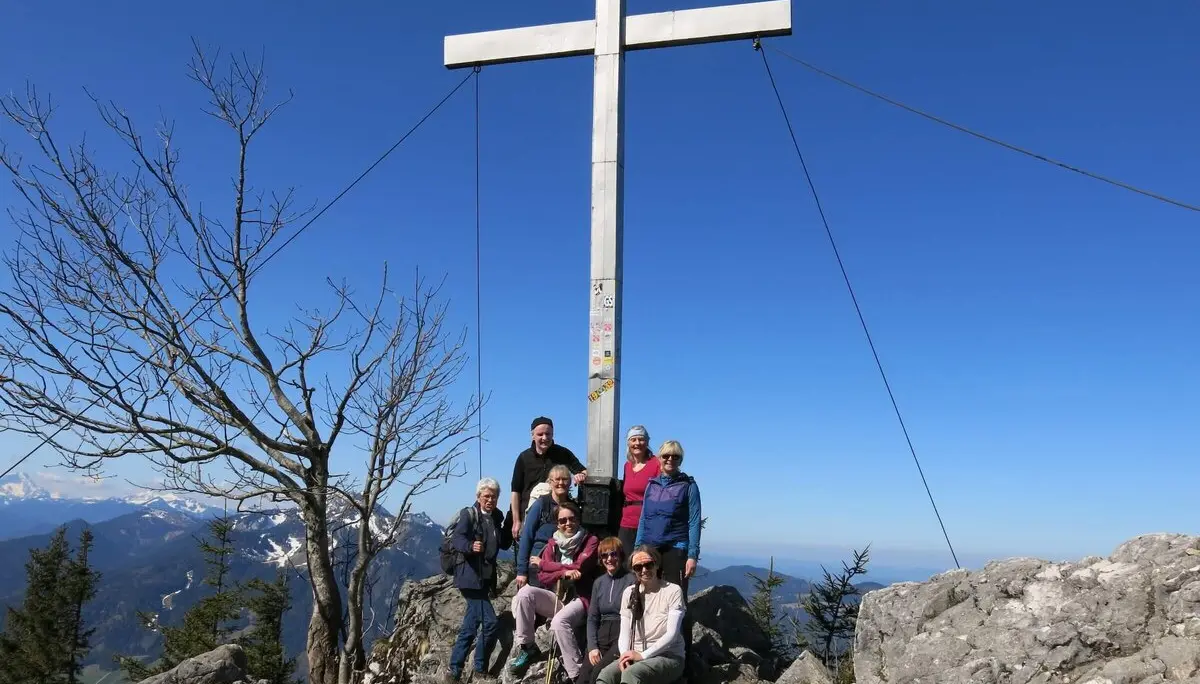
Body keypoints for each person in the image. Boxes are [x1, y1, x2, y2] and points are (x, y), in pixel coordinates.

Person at [509, 501, 599, 677]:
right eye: (562, 520)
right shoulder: (553, 543)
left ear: (578, 519)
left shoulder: (591, 541)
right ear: (557, 523)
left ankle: (577, 675)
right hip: (558, 597)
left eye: (571, 519)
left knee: (559, 622)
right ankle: (528, 647)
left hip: (581, 598)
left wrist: (544, 563)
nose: (567, 524)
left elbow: (580, 566)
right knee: (524, 594)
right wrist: (564, 572)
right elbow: (542, 576)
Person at [447, 477, 513, 683]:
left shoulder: (495, 518)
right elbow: (457, 539)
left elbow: (503, 544)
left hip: (484, 580)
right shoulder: (469, 515)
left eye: (494, 496)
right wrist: (470, 547)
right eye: (486, 496)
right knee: (491, 622)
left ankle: (454, 671)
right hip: (468, 578)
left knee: (469, 626)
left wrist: (512, 518)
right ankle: (479, 668)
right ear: (478, 497)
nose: (490, 500)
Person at [594, 546, 686, 684]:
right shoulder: (629, 593)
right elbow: (624, 633)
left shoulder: (672, 591)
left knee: (632, 673)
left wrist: (643, 656)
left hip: (668, 656)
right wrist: (625, 656)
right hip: (635, 655)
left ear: (656, 564)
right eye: (638, 567)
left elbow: (672, 635)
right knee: (605, 676)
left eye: (648, 565)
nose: (644, 570)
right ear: (633, 570)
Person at [634, 440, 701, 597]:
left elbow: (694, 521)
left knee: (675, 596)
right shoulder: (652, 485)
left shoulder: (688, 486)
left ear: (680, 460)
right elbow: (644, 518)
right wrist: (637, 548)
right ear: (659, 458)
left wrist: (692, 556)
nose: (670, 459)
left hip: (675, 547)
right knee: (647, 594)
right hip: (649, 547)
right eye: (666, 455)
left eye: (675, 456)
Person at [510, 416, 587, 538]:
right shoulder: (524, 458)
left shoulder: (562, 453)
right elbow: (515, 491)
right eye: (540, 434)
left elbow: (583, 471)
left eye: (548, 434)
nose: (544, 438)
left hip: (557, 519)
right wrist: (516, 521)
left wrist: (581, 475)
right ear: (532, 435)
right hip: (529, 516)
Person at [577, 537, 636, 684]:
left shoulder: (631, 580)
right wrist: (592, 647)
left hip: (621, 633)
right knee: (583, 678)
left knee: (598, 673)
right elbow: (592, 618)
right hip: (602, 633)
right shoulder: (599, 583)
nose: (609, 559)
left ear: (621, 555)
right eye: (604, 555)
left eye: (613, 554)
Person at [516, 465, 576, 589]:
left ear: (570, 482)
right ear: (550, 482)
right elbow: (526, 536)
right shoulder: (541, 504)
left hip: (563, 565)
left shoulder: (573, 507)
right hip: (538, 564)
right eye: (557, 479)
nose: (561, 483)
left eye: (565, 479)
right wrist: (521, 571)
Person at [618, 426, 659, 554]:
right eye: (633, 439)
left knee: (645, 564)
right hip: (626, 522)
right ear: (628, 443)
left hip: (648, 524)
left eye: (641, 439)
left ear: (647, 442)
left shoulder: (656, 463)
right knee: (625, 564)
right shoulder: (627, 466)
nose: (637, 443)